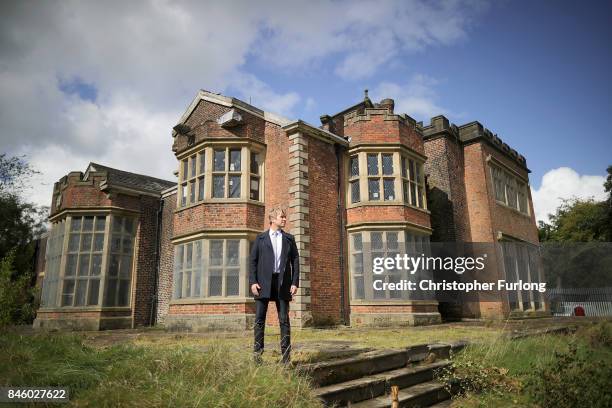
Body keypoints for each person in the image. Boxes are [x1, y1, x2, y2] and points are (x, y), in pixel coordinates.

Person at [249, 207, 299, 364]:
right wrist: (253, 282)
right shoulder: (260, 238)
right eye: (281, 217)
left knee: (284, 319)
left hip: (283, 282)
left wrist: (294, 282)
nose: (284, 219)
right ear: (272, 219)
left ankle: (286, 356)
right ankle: (258, 353)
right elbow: (253, 261)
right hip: (263, 283)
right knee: (259, 319)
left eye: (285, 217)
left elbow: (295, 260)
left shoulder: (289, 239)